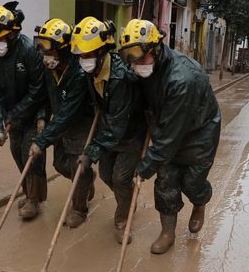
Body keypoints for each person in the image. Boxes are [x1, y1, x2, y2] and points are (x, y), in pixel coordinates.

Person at [119, 19, 221, 255]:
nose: (135, 64)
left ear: (155, 49)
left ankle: (200, 201)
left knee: (192, 183)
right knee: (165, 183)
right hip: (166, 128)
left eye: (139, 57)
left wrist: (145, 167)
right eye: (130, 58)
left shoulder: (183, 78)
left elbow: (170, 138)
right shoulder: (144, 66)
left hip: (199, 134)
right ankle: (168, 233)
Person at [70, 16, 147, 244]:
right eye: (81, 55)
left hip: (130, 133)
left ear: (103, 51)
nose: (83, 60)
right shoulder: (90, 71)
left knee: (120, 179)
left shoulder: (120, 76)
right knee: (105, 175)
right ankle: (129, 199)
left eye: (88, 54)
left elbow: (117, 125)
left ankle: (122, 219)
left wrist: (90, 153)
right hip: (109, 131)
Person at [0, 1, 48, 219]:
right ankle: (28, 193)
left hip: (35, 111)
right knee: (17, 153)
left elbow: (38, 90)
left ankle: (34, 200)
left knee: (32, 155)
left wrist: (17, 115)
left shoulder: (29, 51)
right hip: (12, 115)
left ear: (11, 35)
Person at [29, 19, 96, 228]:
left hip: (79, 122)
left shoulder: (78, 73)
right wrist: (41, 117)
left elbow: (69, 112)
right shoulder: (50, 68)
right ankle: (86, 181)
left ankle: (79, 209)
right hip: (59, 122)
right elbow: (43, 96)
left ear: (64, 49)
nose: (44, 53)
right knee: (60, 164)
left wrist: (42, 141)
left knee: (78, 167)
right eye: (41, 46)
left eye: (49, 48)